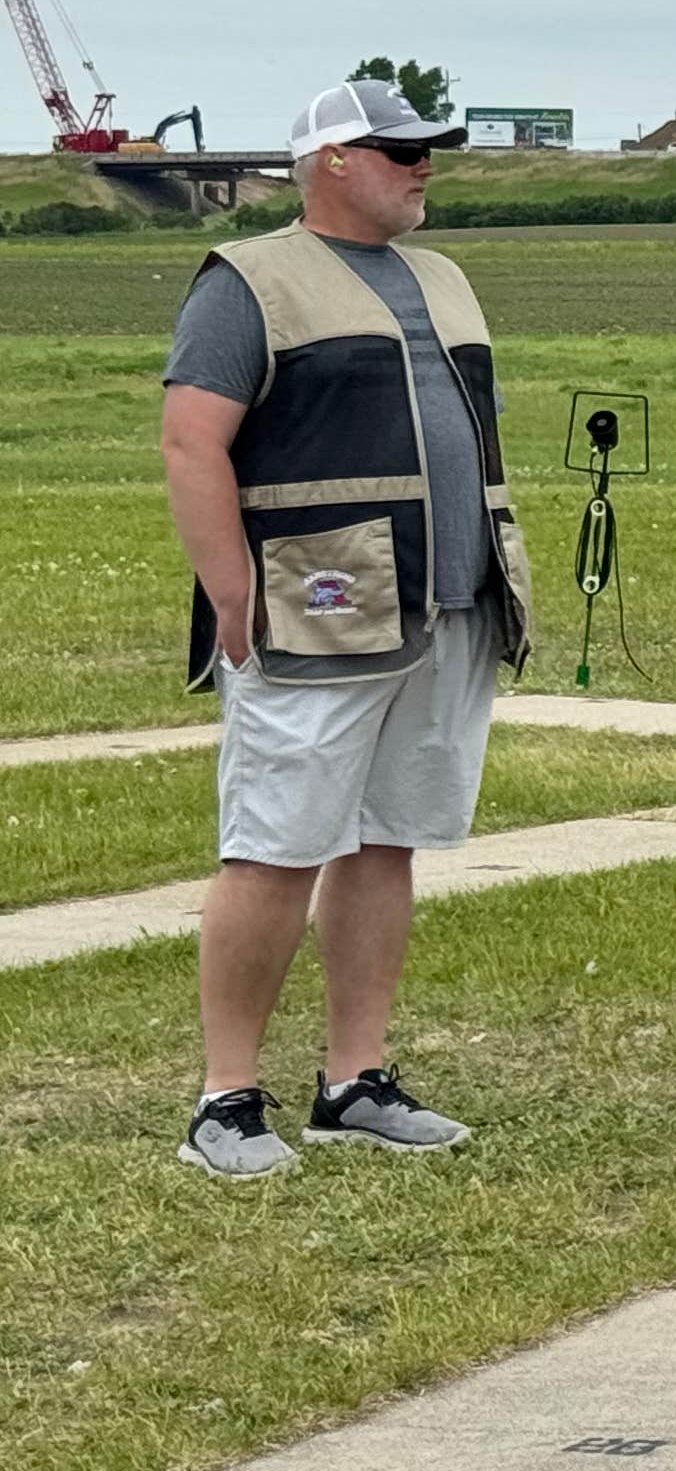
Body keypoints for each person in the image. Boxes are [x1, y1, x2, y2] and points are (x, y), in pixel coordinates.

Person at [158, 78, 533, 1178]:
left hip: (447, 603)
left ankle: (353, 1082)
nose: (425, 166)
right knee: (274, 847)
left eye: (430, 149)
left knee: (385, 842)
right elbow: (192, 442)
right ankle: (225, 1100)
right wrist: (229, 590)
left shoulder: (446, 278)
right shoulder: (249, 282)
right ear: (330, 161)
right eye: (400, 150)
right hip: (316, 608)